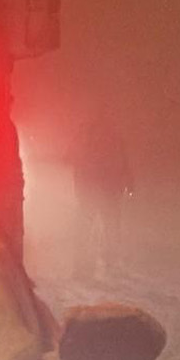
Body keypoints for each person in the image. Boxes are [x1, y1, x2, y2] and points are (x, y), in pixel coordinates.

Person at [70, 104, 134, 278]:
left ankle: (83, 266)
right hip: (108, 188)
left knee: (88, 228)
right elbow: (123, 160)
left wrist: (80, 187)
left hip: (95, 188)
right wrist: (128, 182)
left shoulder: (88, 136)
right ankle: (107, 265)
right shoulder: (112, 136)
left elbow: (78, 162)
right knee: (110, 227)